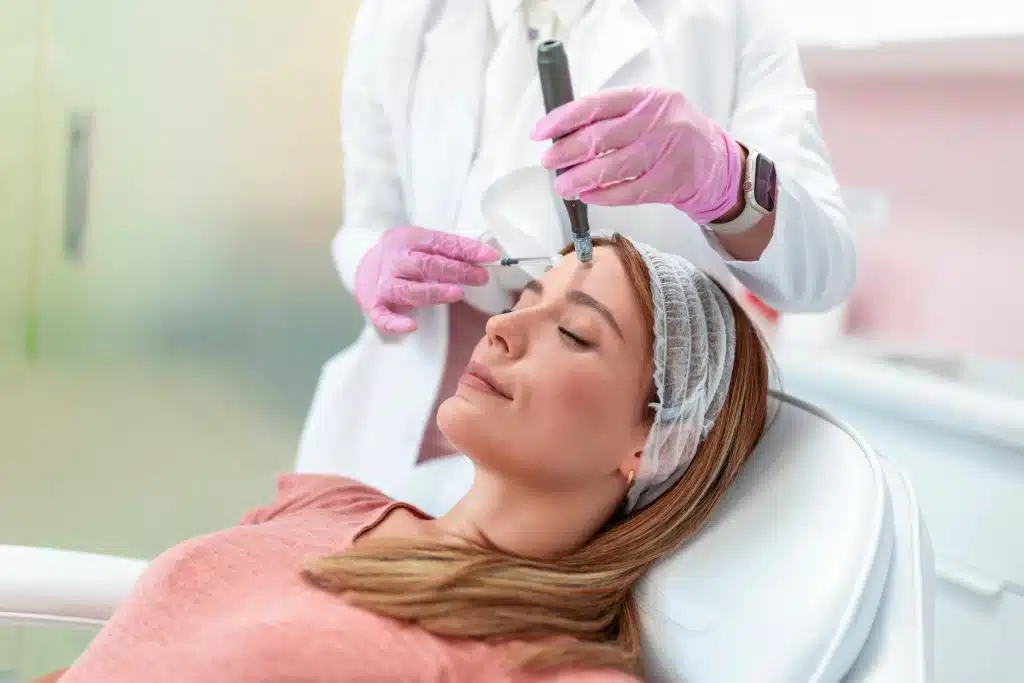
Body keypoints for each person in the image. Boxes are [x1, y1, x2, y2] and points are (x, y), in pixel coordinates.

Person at [36, 235, 769, 682]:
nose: (506, 327)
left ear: (652, 438)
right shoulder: (331, 502)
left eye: (574, 334)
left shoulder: (545, 667)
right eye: (527, 297)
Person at [296, 0, 853, 501]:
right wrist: (373, 263)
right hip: (388, 433)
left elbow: (823, 273)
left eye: (574, 332)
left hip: (582, 486)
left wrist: (727, 178)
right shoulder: (401, 16)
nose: (503, 330)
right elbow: (367, 224)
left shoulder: (727, 18)